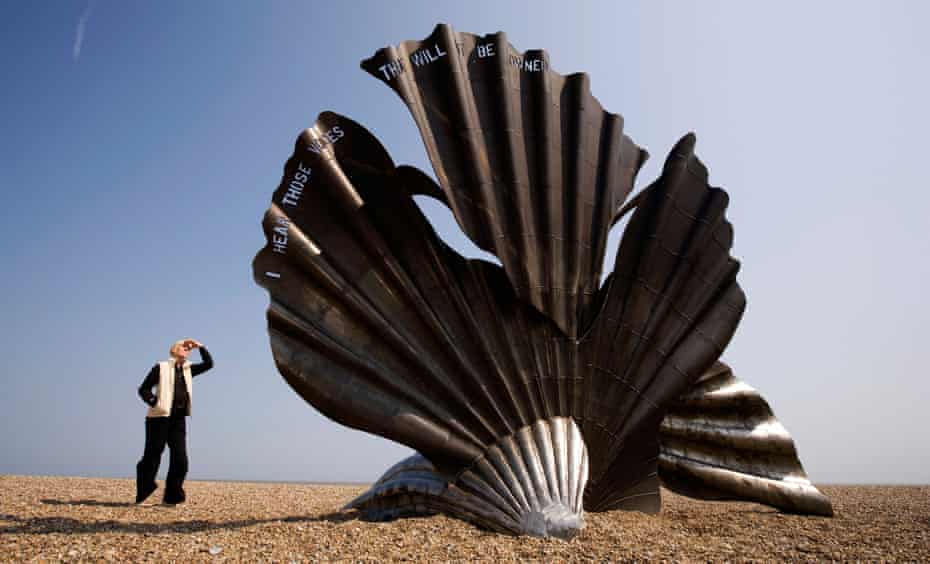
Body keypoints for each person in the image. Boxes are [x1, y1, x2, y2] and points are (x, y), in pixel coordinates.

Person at [135, 338, 213, 505]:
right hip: (158, 418)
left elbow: (209, 364)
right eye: (183, 347)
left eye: (188, 349)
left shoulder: (188, 370)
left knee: (180, 459)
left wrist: (200, 346)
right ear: (174, 350)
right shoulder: (161, 367)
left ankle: (172, 497)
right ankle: (144, 490)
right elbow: (143, 389)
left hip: (178, 419)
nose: (186, 349)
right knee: (152, 456)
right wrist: (153, 401)